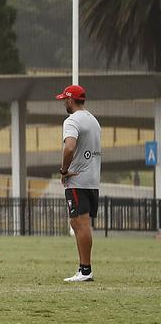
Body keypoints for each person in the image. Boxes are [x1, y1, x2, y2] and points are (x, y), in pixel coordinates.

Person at [57, 83, 101, 283]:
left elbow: (69, 148)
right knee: (80, 223)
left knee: (79, 223)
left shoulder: (71, 120)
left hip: (78, 179)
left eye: (64, 100)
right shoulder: (93, 120)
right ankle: (84, 269)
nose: (64, 103)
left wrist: (64, 170)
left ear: (70, 100)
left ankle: (85, 270)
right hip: (93, 180)